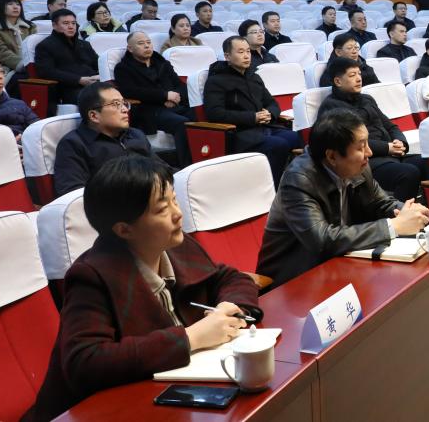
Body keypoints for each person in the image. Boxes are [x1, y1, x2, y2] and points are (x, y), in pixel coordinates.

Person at [25, 156, 260, 421]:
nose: (177, 213)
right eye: (162, 209)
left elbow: (230, 278)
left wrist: (230, 306)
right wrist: (191, 338)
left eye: (174, 200)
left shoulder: (176, 244)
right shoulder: (91, 275)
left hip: (179, 392)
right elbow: (85, 362)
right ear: (124, 230)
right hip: (105, 411)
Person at [255, 108, 429, 286]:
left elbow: (380, 202)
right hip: (293, 279)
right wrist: (394, 226)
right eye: (361, 147)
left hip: (340, 263)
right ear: (332, 156)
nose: (369, 153)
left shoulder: (358, 165)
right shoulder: (299, 179)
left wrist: (409, 212)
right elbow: (322, 240)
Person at [319, 57, 428, 202]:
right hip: (365, 161)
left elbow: (390, 125)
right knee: (408, 173)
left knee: (428, 163)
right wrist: (387, 148)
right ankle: (398, 214)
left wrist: (400, 142)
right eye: (352, 75)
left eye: (359, 74)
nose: (359, 78)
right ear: (338, 81)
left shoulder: (367, 99)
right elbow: (351, 142)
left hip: (391, 155)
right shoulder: (331, 107)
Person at [203, 36, 302, 182]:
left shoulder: (254, 77)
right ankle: (273, 188)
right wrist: (253, 117)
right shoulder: (216, 81)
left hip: (265, 127)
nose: (246, 56)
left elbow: (273, 103)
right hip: (239, 133)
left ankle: (294, 183)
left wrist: (270, 113)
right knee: (278, 145)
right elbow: (215, 113)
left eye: (248, 51)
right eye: (240, 52)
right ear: (227, 56)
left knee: (298, 138)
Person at [53, 82, 161, 197]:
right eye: (116, 104)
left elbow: (163, 169)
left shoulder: (135, 134)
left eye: (124, 103)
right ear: (94, 116)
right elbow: (72, 193)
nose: (125, 109)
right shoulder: (74, 144)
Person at [112, 32, 196, 167]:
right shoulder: (123, 68)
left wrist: (174, 97)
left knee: (200, 116)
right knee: (182, 123)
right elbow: (129, 91)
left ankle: (205, 159)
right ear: (130, 48)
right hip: (149, 110)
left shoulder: (162, 63)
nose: (147, 46)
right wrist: (164, 96)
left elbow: (180, 85)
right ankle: (187, 166)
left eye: (148, 42)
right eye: (141, 43)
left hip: (174, 105)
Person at [35, 9, 100, 104]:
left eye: (73, 23)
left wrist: (99, 76)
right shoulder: (45, 46)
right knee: (96, 99)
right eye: (66, 23)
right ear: (54, 25)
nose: (71, 27)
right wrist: (79, 80)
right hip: (67, 89)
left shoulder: (84, 44)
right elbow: (47, 72)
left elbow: (98, 64)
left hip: (94, 84)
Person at [0, 0, 35, 94]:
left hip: (30, 66)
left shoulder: (30, 26)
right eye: (10, 4)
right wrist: (21, 64)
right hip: (5, 68)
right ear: (0, 7)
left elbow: (36, 48)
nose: (15, 7)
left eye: (18, 4)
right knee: (23, 79)